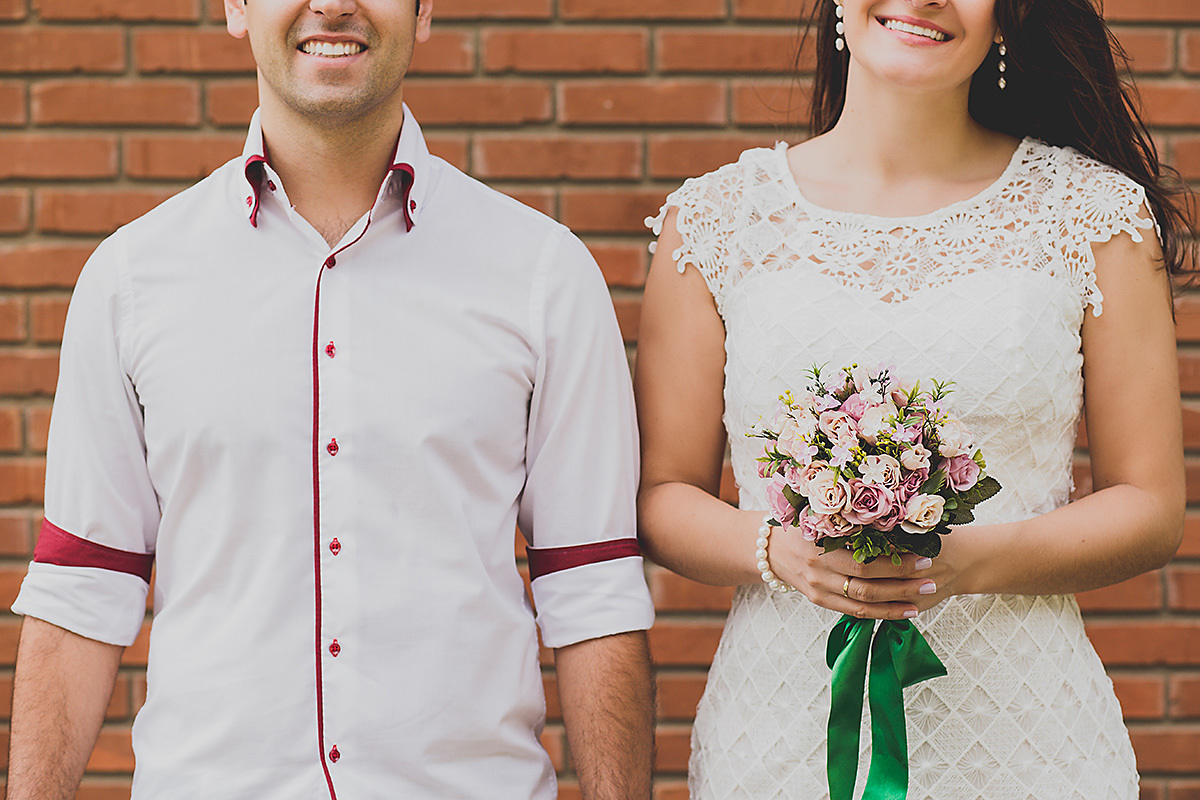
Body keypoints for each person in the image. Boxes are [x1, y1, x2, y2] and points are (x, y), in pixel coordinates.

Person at [6, 1, 656, 798]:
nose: (335, 3)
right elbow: (83, 588)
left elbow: (592, 590)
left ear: (425, 13)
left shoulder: (544, 276)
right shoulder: (131, 281)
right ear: (237, 7)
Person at [636, 0, 1189, 797]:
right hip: (781, 735)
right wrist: (781, 553)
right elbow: (663, 497)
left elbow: (1150, 505)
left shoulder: (1094, 215)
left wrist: (963, 562)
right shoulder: (718, 221)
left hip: (1026, 742)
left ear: (1008, 17)